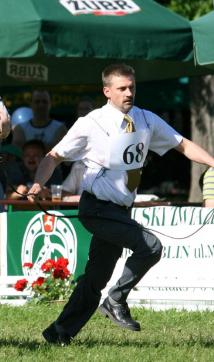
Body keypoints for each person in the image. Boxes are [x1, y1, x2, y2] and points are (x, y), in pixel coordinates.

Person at [27, 63, 214, 345]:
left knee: (96, 277)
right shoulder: (92, 122)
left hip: (120, 210)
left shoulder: (146, 120)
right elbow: (54, 155)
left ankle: (59, 331)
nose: (129, 93)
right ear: (107, 91)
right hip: (96, 208)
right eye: (122, 88)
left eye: (132, 87)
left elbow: (183, 144)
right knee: (150, 246)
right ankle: (116, 299)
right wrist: (38, 183)